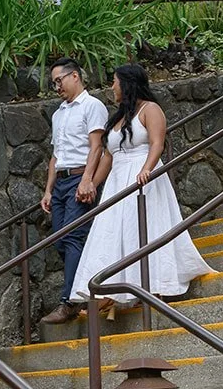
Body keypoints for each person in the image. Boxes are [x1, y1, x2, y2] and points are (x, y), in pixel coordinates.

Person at [69, 63, 214, 315]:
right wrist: (93, 182)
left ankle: (152, 285)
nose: (112, 86)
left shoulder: (151, 109)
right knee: (115, 232)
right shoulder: (118, 118)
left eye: (114, 81)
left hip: (142, 176)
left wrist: (147, 168)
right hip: (118, 181)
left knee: (144, 229)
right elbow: (109, 156)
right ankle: (112, 291)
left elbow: (157, 143)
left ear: (127, 83)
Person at [39, 58, 108, 324]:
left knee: (72, 237)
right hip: (61, 183)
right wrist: (48, 190)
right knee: (59, 240)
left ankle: (69, 302)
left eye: (60, 80)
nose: (57, 87)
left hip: (81, 177)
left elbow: (97, 147)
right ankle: (87, 288)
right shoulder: (59, 114)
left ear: (75, 76)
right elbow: (56, 156)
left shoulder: (92, 106)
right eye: (54, 83)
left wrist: (88, 180)